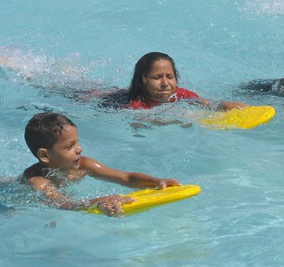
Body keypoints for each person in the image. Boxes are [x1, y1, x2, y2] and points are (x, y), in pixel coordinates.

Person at [21, 112, 181, 216]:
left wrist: (156, 181)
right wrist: (98, 201)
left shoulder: (84, 165)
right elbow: (65, 205)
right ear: (45, 155)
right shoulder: (37, 181)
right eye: (70, 146)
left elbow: (126, 178)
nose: (79, 149)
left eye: (77, 143)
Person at [125, 52, 247, 111]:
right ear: (143, 80)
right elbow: (141, 123)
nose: (165, 83)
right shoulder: (137, 104)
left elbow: (206, 103)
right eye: (157, 77)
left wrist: (223, 105)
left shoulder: (181, 94)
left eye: (169, 76)